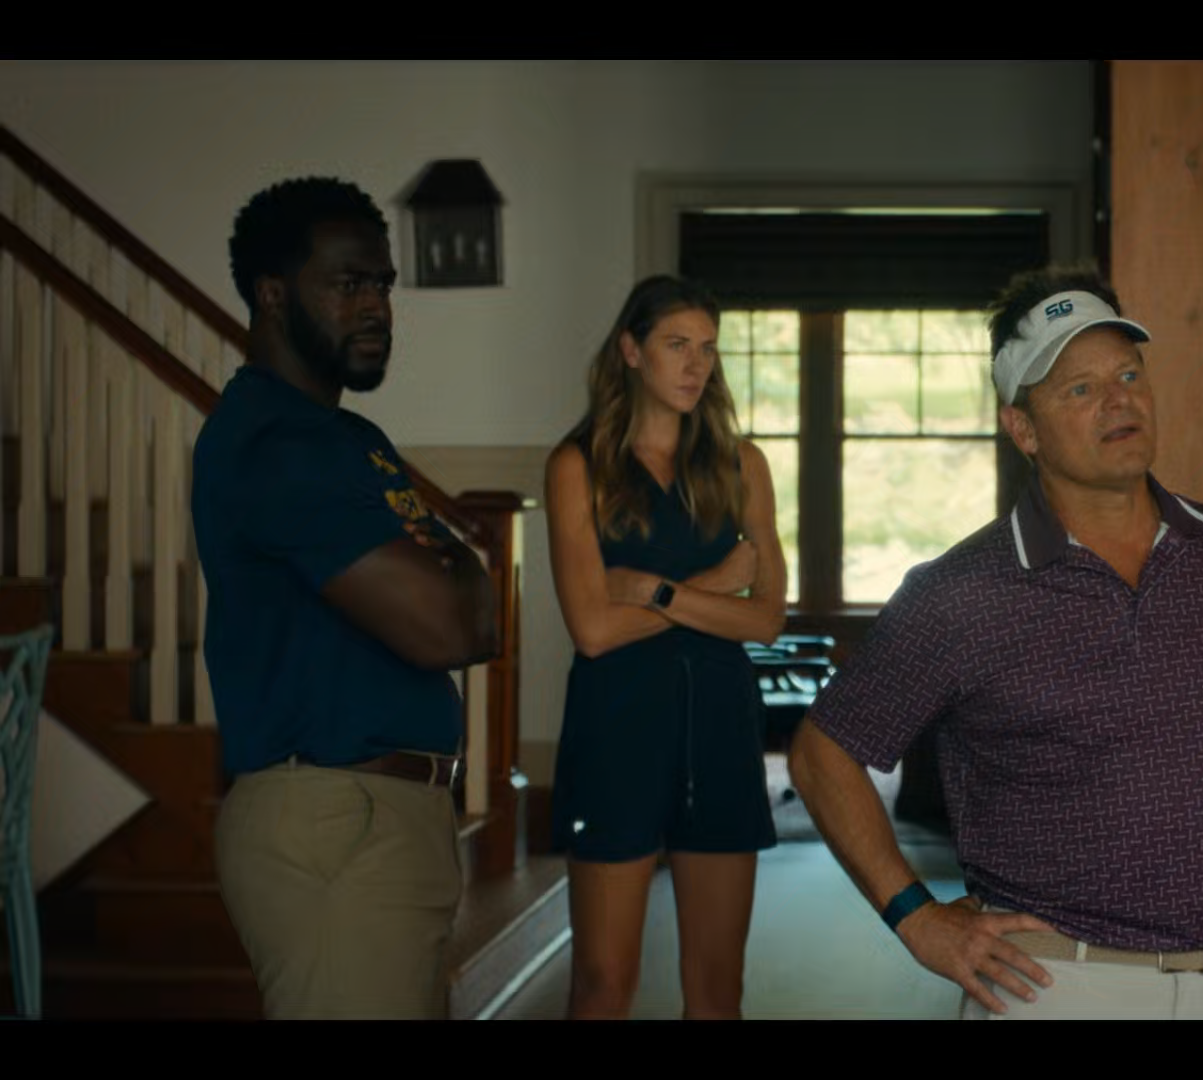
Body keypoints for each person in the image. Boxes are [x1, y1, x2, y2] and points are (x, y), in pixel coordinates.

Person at [788, 267, 1203, 1020]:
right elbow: (823, 753)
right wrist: (916, 919)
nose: (1118, 401)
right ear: (1022, 428)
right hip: (1054, 985)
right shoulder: (961, 592)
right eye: (1079, 389)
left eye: (1128, 374)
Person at [194, 177, 498, 1019]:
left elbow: (481, 616)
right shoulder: (279, 442)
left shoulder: (348, 439)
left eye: (384, 285)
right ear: (272, 294)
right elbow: (449, 628)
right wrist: (461, 566)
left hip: (382, 815)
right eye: (349, 283)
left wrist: (463, 574)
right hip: (337, 815)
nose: (377, 307)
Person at [544, 276, 786, 1020]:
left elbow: (765, 619)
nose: (696, 365)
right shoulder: (577, 466)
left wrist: (652, 591)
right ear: (631, 350)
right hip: (615, 732)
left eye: (707, 349)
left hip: (719, 730)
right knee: (601, 984)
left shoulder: (742, 464)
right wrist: (715, 588)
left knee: (718, 991)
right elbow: (592, 630)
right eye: (676, 345)